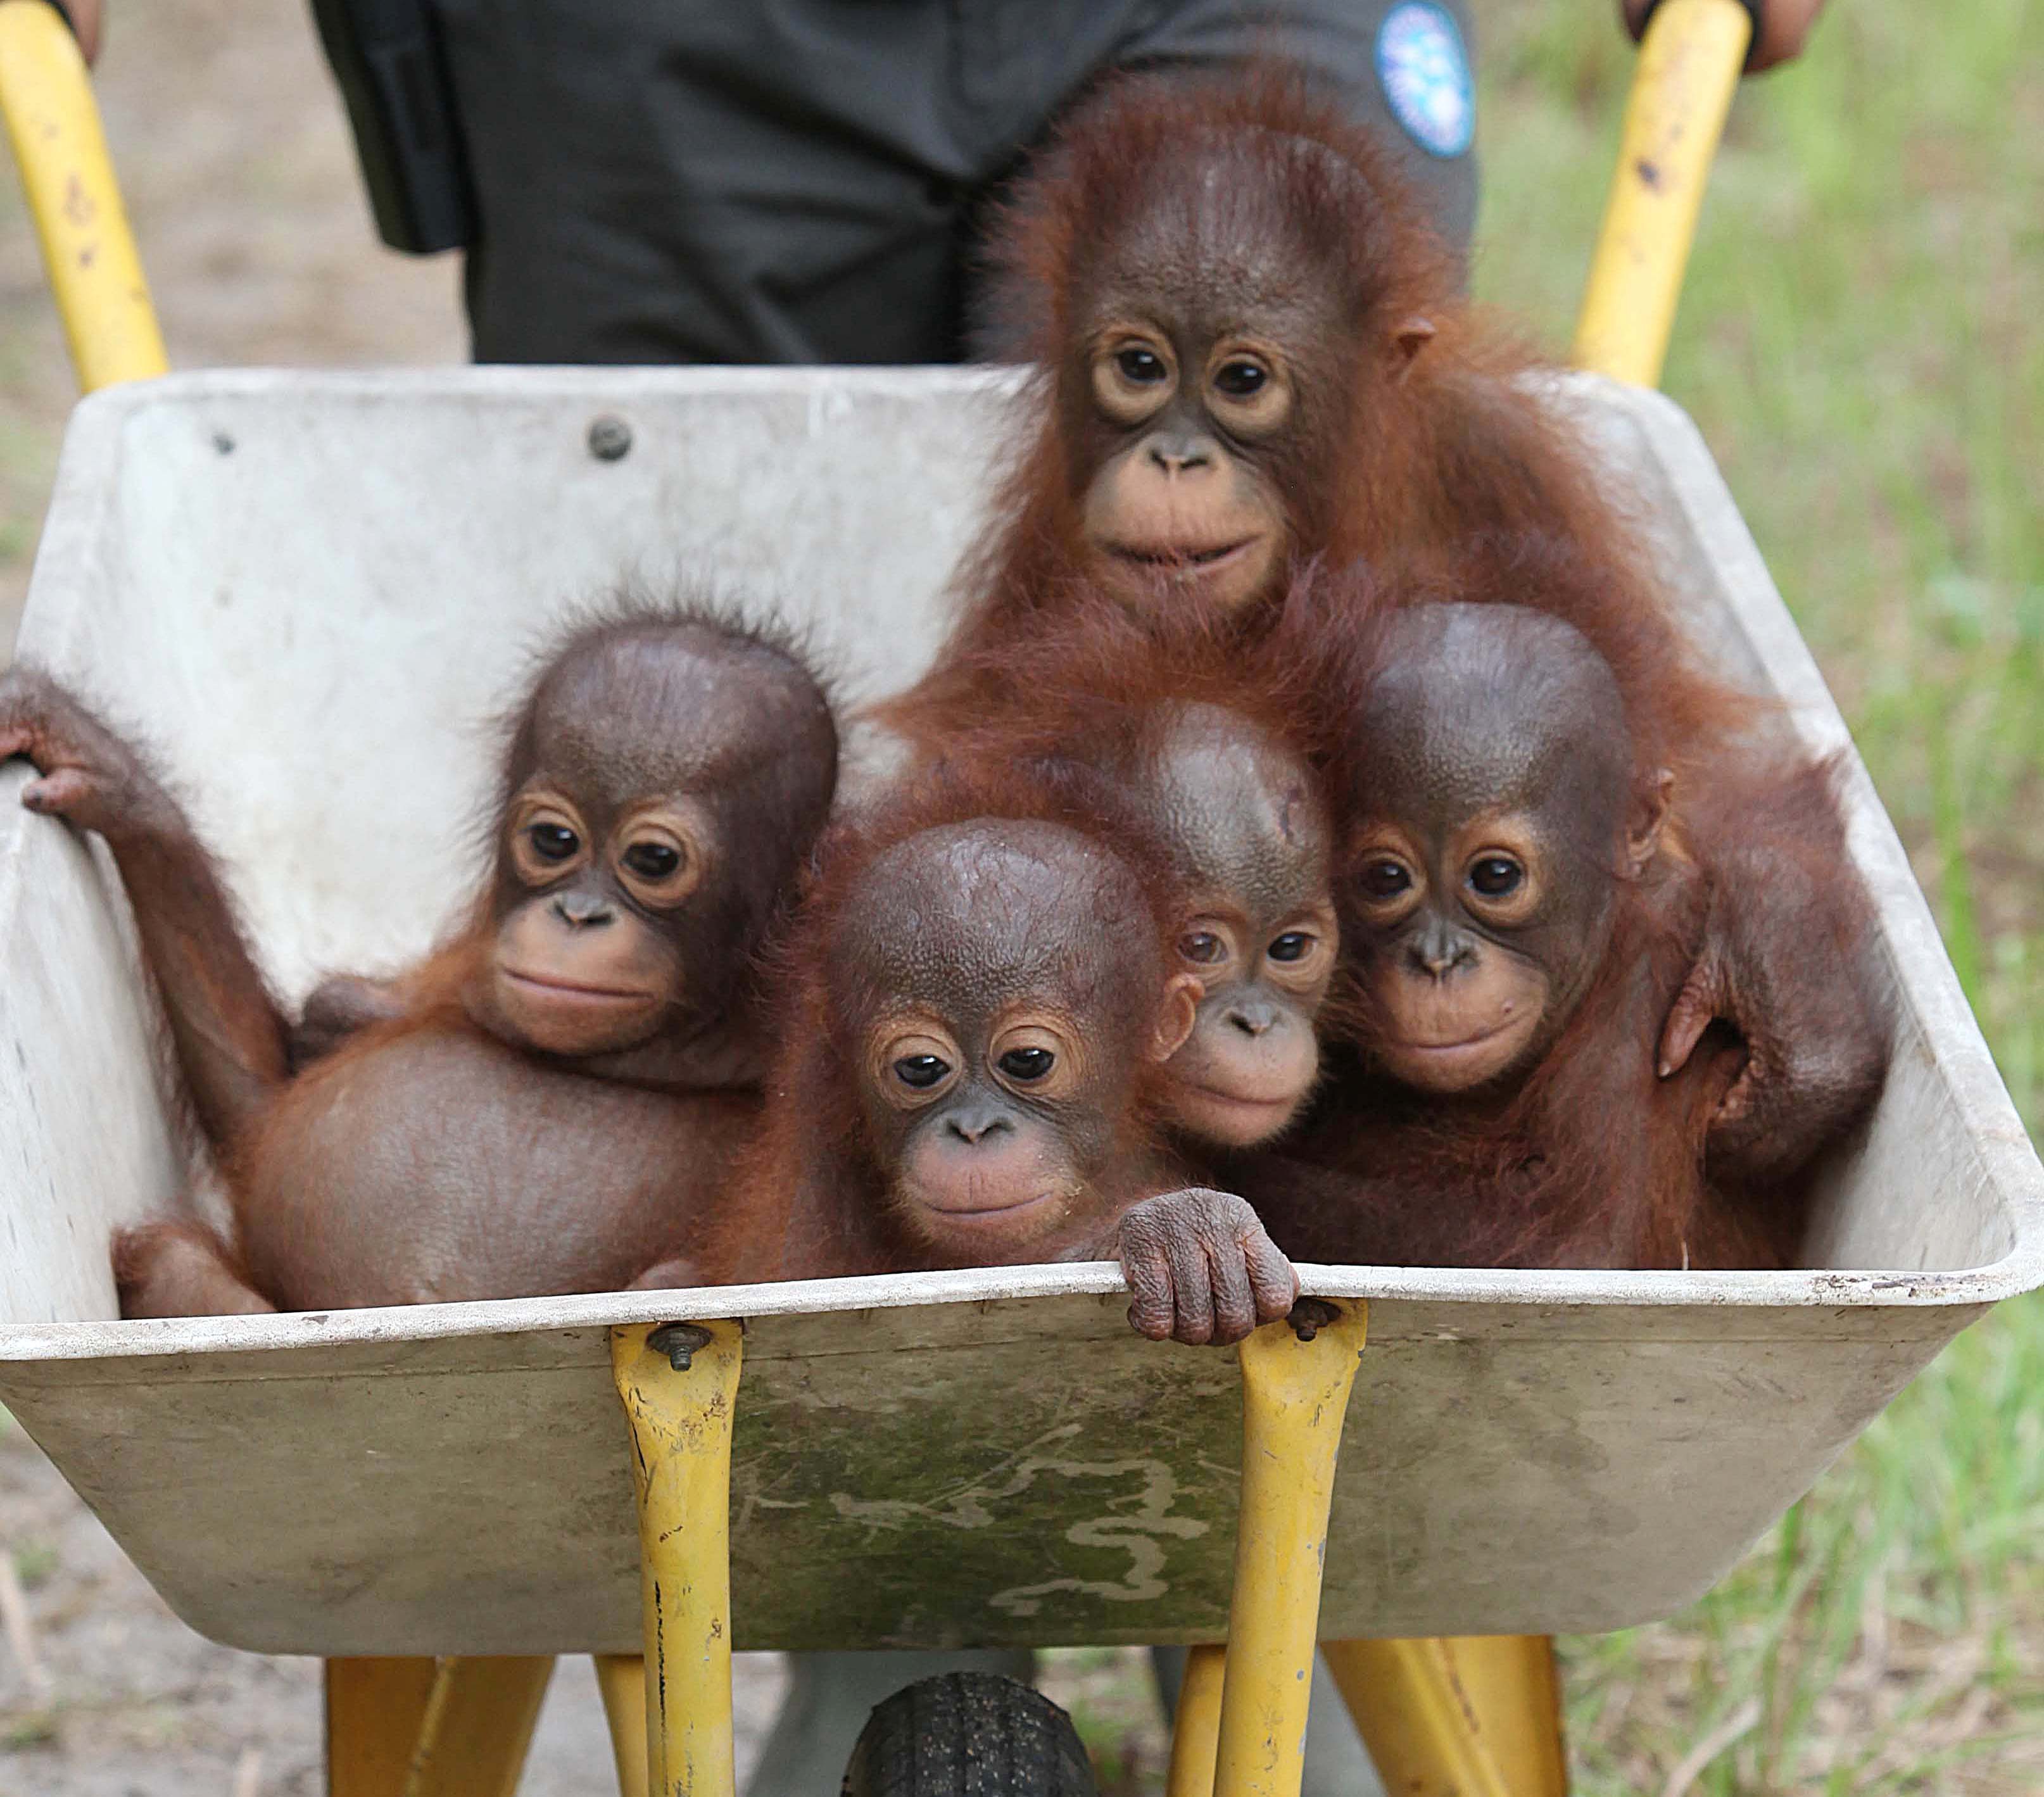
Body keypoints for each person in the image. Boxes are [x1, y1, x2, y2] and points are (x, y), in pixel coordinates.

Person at [53, 1, 1829, 1793]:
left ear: (1391, 369)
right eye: (1127, 387)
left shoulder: (1494, 499)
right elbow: (926, 898)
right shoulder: (1070, 551)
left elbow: (1667, 814)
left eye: (1241, 404)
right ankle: (892, 1602)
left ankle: (1309, 1598)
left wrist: (1781, 968)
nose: (1170, 475)